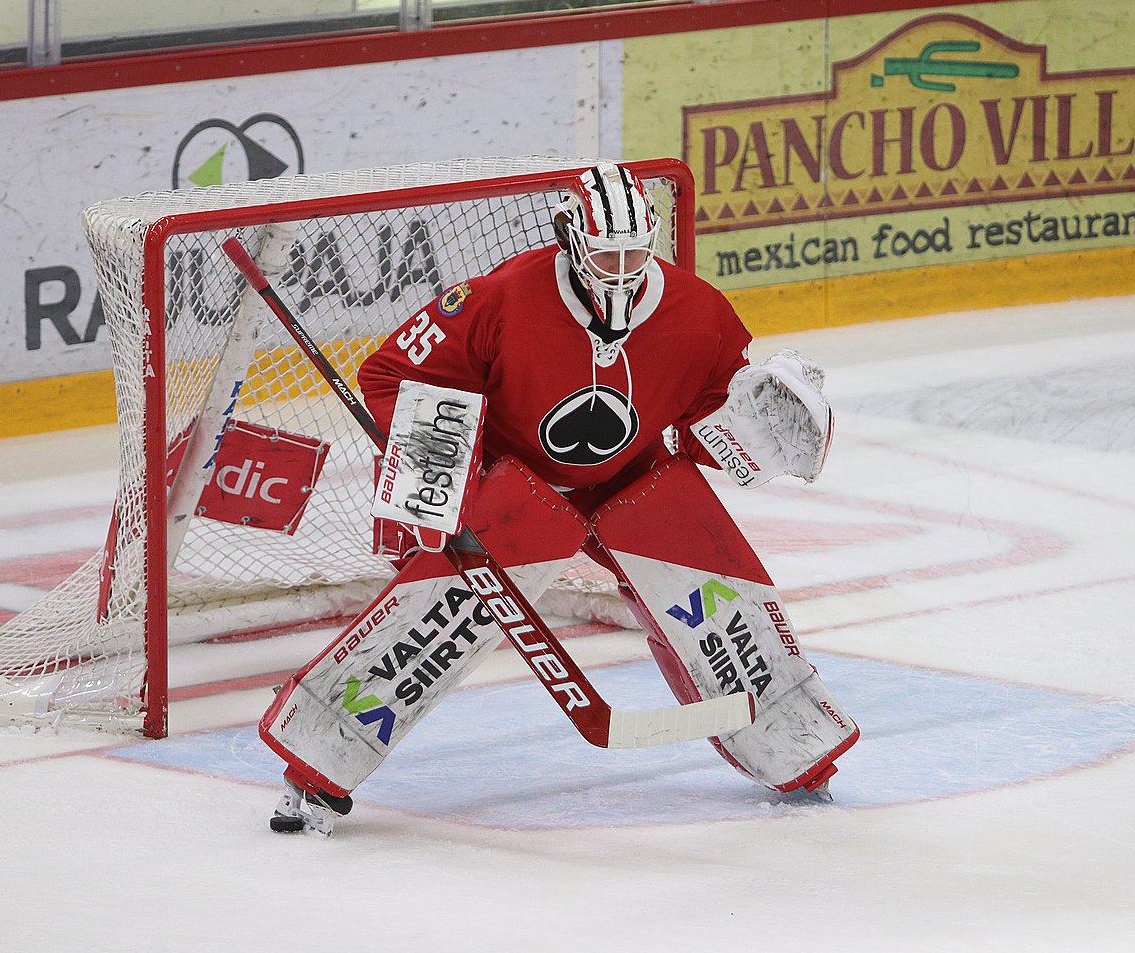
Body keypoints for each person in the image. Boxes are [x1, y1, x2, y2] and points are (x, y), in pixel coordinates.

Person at [262, 162, 859, 835]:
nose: (625, 268)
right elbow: (396, 372)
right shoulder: (503, 299)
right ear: (571, 236)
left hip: (632, 480)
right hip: (518, 489)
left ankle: (800, 752)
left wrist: (757, 428)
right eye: (608, 253)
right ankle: (314, 768)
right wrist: (447, 480)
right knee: (434, 619)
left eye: (637, 251)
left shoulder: (701, 312)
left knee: (723, 605)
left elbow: (706, 418)